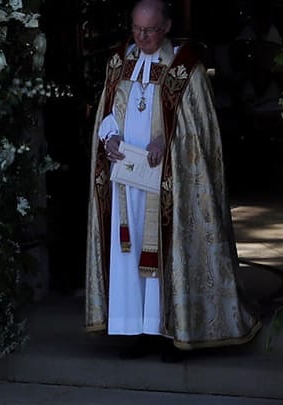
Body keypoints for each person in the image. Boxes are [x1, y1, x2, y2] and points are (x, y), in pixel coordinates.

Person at [86, 0, 259, 356]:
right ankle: (133, 329)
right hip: (125, 180)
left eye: (149, 30)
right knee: (127, 252)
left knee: (169, 250)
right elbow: (108, 110)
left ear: (165, 27)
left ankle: (171, 330)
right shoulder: (121, 61)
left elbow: (199, 132)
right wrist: (110, 137)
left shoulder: (186, 67)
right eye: (136, 29)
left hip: (170, 181)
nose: (142, 36)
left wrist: (167, 140)